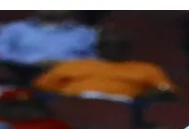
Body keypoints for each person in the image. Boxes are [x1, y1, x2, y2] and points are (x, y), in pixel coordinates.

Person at [33, 32, 176, 102]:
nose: (114, 49)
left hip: (122, 106)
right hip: (75, 103)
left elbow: (166, 91)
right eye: (108, 45)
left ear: (128, 49)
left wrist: (140, 97)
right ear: (98, 48)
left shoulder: (147, 69)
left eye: (119, 46)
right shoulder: (73, 64)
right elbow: (41, 88)